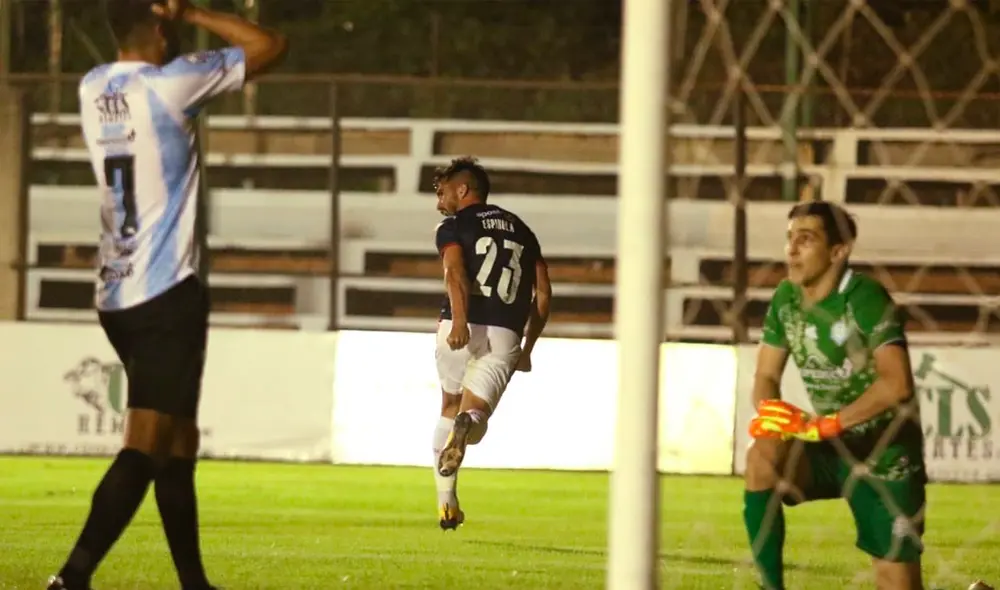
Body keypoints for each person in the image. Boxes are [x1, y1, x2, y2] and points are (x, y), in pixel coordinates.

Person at [48, 1, 286, 588]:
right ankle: (71, 578)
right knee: (147, 446)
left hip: (116, 294)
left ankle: (194, 584)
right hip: (165, 294)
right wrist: (197, 11)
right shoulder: (171, 86)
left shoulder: (91, 86)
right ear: (158, 30)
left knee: (179, 443)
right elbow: (270, 46)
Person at [743, 201, 927, 590]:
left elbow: (897, 384)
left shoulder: (865, 297)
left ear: (839, 251)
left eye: (806, 239)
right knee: (762, 452)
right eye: (789, 238)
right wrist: (771, 411)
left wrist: (827, 424)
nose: (791, 249)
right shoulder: (785, 300)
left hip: (884, 455)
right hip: (829, 448)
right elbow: (765, 374)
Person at [430, 156, 552, 530]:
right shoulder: (522, 230)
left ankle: (446, 502)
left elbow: (455, 272)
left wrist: (462, 321)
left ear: (463, 190)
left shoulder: (452, 226)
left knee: (449, 405)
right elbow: (544, 294)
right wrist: (528, 349)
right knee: (474, 415)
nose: (439, 201)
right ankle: (470, 423)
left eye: (443, 192)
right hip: (506, 333)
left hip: (458, 325)